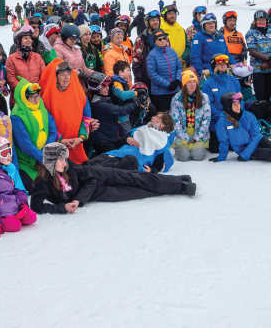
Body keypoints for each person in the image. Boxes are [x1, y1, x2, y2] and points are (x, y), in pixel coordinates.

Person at [29, 143, 196, 215]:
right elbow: (36, 206)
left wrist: (78, 200)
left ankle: (181, 184)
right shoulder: (42, 182)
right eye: (60, 159)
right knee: (137, 192)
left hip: (100, 174)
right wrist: (62, 208)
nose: (65, 162)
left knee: (138, 178)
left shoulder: (68, 166)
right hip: (98, 193)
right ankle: (178, 183)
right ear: (50, 162)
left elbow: (90, 179)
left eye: (65, 159)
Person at [210, 92, 271, 163]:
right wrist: (221, 158)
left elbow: (256, 135)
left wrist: (245, 155)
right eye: (234, 104)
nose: (238, 106)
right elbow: (224, 141)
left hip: (256, 141)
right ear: (228, 107)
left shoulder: (248, 116)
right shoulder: (222, 122)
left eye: (238, 104)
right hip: (245, 149)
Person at [40, 59, 92, 165]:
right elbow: (46, 122)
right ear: (55, 77)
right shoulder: (46, 98)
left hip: (77, 146)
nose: (66, 77)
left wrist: (81, 138)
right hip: (57, 147)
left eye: (68, 74)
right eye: (62, 74)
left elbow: (86, 117)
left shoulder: (80, 94)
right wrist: (60, 140)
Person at [11, 79, 58, 186]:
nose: (37, 99)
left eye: (38, 96)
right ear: (25, 98)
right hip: (28, 161)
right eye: (33, 97)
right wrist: (42, 157)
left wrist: (47, 150)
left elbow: (52, 129)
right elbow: (24, 143)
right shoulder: (17, 115)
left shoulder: (41, 107)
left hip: (45, 155)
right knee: (37, 186)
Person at [200, 54, 241, 153]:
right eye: (219, 64)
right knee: (216, 149)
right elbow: (208, 105)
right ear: (214, 66)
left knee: (236, 146)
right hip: (217, 122)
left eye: (225, 64)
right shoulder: (208, 84)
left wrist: (237, 115)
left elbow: (240, 100)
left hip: (234, 120)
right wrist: (222, 117)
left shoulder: (234, 80)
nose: (223, 66)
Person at [89, 75, 137, 156]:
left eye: (108, 86)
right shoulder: (99, 104)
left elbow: (112, 126)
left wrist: (125, 139)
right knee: (115, 161)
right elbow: (121, 111)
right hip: (102, 141)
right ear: (96, 90)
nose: (107, 88)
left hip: (110, 139)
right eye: (104, 87)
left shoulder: (106, 100)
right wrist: (137, 102)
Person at [170, 70, 211, 161]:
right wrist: (186, 137)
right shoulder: (176, 99)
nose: (192, 85)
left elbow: (206, 119)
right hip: (181, 133)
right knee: (183, 157)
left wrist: (196, 137)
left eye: (194, 82)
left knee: (197, 156)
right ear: (184, 84)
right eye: (189, 82)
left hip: (198, 132)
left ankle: (198, 146)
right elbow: (175, 121)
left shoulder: (204, 97)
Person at [6, 24, 47, 105]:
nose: (29, 40)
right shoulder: (11, 59)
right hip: (18, 102)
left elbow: (44, 76)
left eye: (30, 38)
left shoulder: (37, 57)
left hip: (36, 100)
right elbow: (11, 79)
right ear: (18, 41)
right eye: (25, 38)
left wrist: (35, 90)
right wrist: (27, 90)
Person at [246, 10, 271, 101]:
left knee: (268, 95)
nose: (261, 21)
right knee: (260, 96)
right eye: (259, 19)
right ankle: (260, 114)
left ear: (266, 20)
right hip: (258, 69)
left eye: (263, 19)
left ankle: (268, 113)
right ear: (255, 20)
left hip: (270, 69)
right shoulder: (251, 33)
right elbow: (252, 50)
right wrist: (268, 59)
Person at [145, 29, 183, 113]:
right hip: (160, 94)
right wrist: (167, 85)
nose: (162, 40)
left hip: (175, 90)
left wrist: (177, 81)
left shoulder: (172, 51)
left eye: (164, 38)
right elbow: (152, 74)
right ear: (155, 41)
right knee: (163, 118)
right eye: (159, 39)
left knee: (177, 115)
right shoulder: (151, 55)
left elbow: (179, 67)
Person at [132, 9, 165, 86]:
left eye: (157, 20)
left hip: (163, 77)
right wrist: (139, 80)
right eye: (153, 20)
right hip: (147, 78)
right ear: (147, 22)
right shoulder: (141, 39)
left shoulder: (165, 38)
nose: (156, 22)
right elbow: (136, 62)